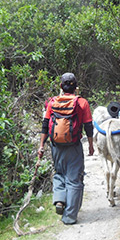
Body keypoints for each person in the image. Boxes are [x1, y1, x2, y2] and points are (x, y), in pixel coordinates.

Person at [37, 73, 95, 225]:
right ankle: (69, 217)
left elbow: (45, 125)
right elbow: (88, 126)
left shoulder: (52, 103)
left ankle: (60, 200)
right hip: (74, 146)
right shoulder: (82, 103)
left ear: (61, 87)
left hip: (56, 146)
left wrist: (42, 146)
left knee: (59, 174)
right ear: (76, 87)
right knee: (74, 180)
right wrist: (90, 145)